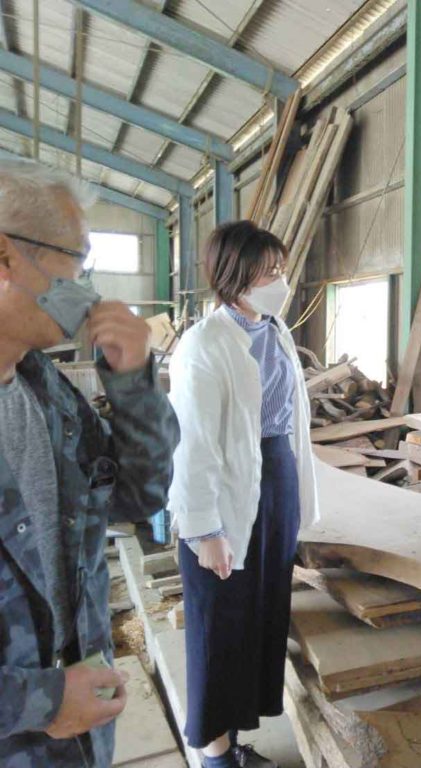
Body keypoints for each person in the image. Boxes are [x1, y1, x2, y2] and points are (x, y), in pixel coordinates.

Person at [0, 159, 179, 767]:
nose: (86, 284)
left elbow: (138, 496)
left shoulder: (44, 391)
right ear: (5, 257)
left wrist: (133, 386)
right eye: (75, 260)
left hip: (74, 738)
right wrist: (43, 701)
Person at [168, 220, 319, 768]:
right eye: (268, 272)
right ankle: (214, 753)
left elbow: (291, 421)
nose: (280, 282)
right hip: (225, 491)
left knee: (261, 612)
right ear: (234, 276)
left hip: (275, 478)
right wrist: (205, 530)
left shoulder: (275, 331)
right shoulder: (204, 343)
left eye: (281, 270)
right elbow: (193, 444)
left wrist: (295, 501)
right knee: (219, 620)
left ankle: (233, 740)